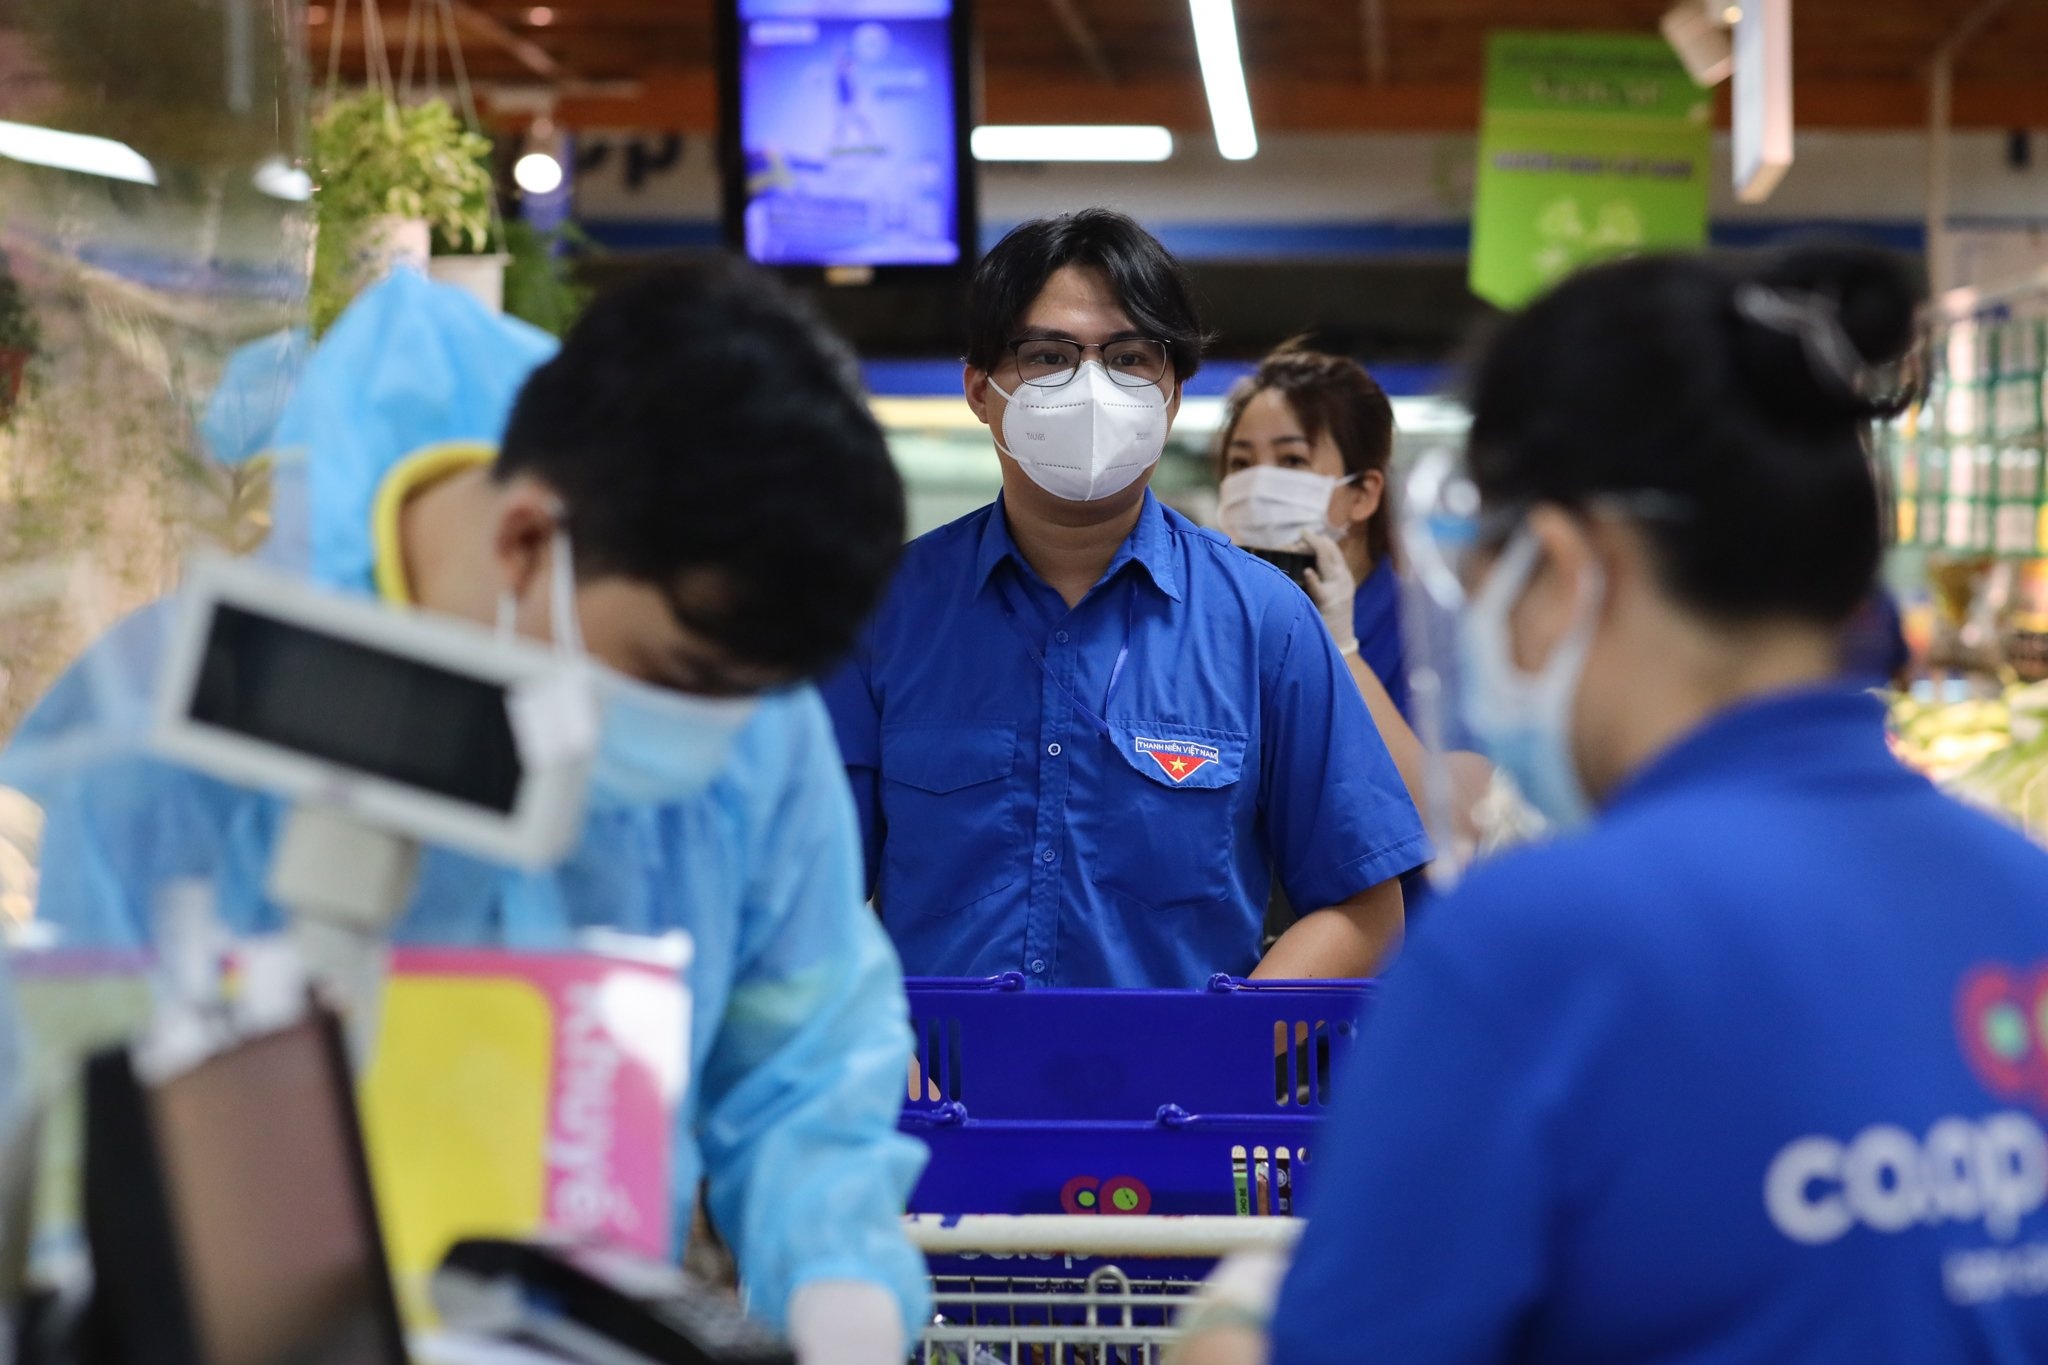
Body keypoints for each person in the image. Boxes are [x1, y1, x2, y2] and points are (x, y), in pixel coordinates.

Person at [0, 265, 928, 1361]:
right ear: (529, 540)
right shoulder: (186, 729)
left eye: (747, 694)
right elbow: (79, 1155)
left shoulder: (736, 709)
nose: (710, 737)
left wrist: (841, 1287)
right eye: (677, 674)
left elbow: (802, 1057)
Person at [1180, 245, 2048, 1363]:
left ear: (1565, 563)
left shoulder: (1535, 949)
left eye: (1491, 563)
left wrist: (1237, 1310)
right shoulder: (2018, 895)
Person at [821, 209, 1427, 989]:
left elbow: (1363, 904)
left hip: (1182, 1103)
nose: (1092, 388)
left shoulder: (1266, 624)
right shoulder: (881, 617)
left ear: (1171, 393)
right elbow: (807, 895)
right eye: (1047, 356)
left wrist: (1222, 1055)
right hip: (929, 1096)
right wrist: (881, 1058)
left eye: (1130, 357)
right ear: (980, 389)